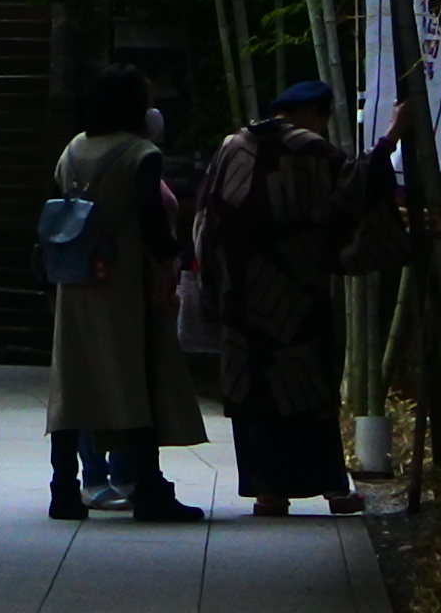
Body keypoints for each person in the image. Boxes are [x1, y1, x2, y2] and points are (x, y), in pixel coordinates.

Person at [201, 76, 387, 517]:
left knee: (253, 396)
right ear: (313, 114)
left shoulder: (233, 147)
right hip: (296, 299)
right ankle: (332, 488)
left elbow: (207, 219)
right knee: (308, 390)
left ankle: (268, 491)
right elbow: (354, 190)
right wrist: (390, 141)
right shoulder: (311, 150)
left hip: (240, 300)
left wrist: (213, 285)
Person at [46, 67, 206, 521]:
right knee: (135, 377)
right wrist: (171, 260)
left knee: (72, 381)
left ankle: (63, 488)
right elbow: (152, 217)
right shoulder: (141, 153)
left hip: (75, 280)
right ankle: (149, 487)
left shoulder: (73, 149)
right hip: (123, 281)